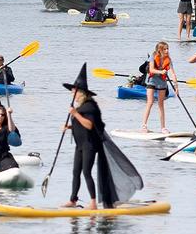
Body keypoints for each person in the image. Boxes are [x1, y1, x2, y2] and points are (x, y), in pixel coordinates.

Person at [61, 64, 143, 209]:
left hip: (90, 145)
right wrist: (70, 127)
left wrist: (75, 114)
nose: (73, 94)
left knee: (86, 172)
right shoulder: (80, 108)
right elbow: (82, 125)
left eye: (74, 91)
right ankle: (73, 200)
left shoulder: (90, 106)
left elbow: (89, 125)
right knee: (75, 172)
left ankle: (93, 202)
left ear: (81, 93)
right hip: (80, 145)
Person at [140, 41, 177, 134]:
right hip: (152, 80)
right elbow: (151, 69)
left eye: (167, 49)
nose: (167, 51)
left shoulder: (168, 59)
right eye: (164, 49)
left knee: (161, 104)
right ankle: (144, 125)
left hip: (162, 82)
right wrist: (161, 72)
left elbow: (173, 73)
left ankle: (163, 128)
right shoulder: (153, 56)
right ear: (159, 50)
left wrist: (176, 87)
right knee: (150, 102)